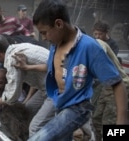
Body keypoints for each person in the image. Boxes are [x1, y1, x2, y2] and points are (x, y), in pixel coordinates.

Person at [24, 1, 128, 140]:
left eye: (44, 32)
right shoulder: (55, 44)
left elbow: (117, 83)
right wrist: (27, 67)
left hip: (78, 108)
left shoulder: (89, 47)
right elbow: (53, 67)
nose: (43, 37)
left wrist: (121, 122)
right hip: (59, 103)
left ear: (59, 24)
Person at [0, 34, 51, 122]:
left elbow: (12, 95)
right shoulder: (18, 47)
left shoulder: (13, 58)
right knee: (29, 109)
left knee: (35, 127)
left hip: (54, 88)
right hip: (48, 85)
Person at [91, 39, 129, 141]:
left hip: (119, 84)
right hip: (106, 86)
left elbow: (98, 60)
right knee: (96, 119)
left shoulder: (96, 44)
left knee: (110, 123)